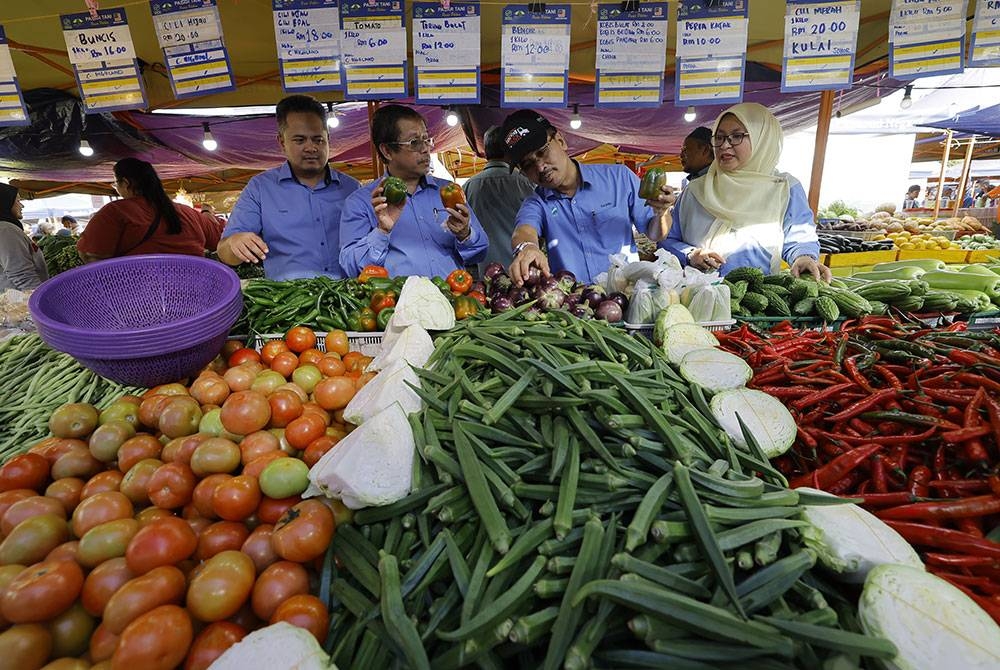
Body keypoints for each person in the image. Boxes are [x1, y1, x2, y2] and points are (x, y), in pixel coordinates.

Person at [660, 102, 830, 282]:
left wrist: (803, 257)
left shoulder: (783, 188)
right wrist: (690, 254)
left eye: (736, 136)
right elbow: (667, 240)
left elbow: (800, 236)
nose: (724, 145)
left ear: (762, 138)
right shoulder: (694, 191)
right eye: (719, 137)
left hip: (757, 295)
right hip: (696, 294)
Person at [504, 109, 674, 286]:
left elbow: (656, 234)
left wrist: (662, 213)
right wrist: (527, 247)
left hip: (625, 294)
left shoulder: (620, 178)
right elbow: (524, 231)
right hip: (574, 300)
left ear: (560, 141)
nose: (540, 167)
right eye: (528, 164)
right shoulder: (536, 202)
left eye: (542, 152)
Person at [218, 94, 361, 280]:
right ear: (282, 142)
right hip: (289, 296)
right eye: (300, 140)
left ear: (328, 139)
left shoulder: (352, 188)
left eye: (318, 140)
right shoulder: (260, 188)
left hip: (349, 293)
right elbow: (224, 253)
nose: (311, 148)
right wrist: (235, 242)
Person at [339, 104, 488, 278]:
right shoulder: (361, 203)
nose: (425, 149)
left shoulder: (449, 191)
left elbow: (480, 252)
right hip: (397, 296)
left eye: (426, 139)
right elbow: (350, 267)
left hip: (451, 293)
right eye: (414, 142)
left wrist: (465, 234)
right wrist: (382, 232)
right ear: (387, 151)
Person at [76, 158, 220, 263]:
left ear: (126, 183)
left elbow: (90, 255)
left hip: (138, 290)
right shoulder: (189, 212)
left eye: (115, 184)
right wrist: (207, 214)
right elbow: (218, 241)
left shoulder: (116, 211)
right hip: (193, 288)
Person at [462, 125, 536, 274]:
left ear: (486, 152)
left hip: (482, 273)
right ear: (511, 150)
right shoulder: (526, 182)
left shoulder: (467, 187)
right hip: (521, 270)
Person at [0, 183, 48, 291]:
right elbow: (23, 275)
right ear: (5, 203)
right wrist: (39, 298)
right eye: (18, 201)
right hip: (22, 297)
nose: (22, 206)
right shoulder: (6, 230)